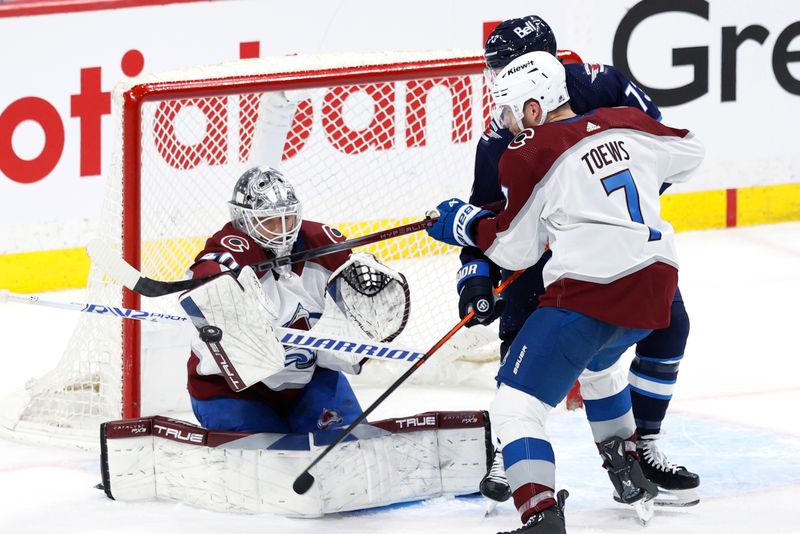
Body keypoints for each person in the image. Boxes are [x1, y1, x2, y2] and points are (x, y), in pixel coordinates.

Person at [427, 51, 704, 532]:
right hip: (656, 286)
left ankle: (540, 515)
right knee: (598, 365)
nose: (505, 122)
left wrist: (464, 224)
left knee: (514, 407)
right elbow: (691, 153)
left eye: (510, 111)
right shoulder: (626, 120)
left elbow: (514, 250)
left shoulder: (530, 150)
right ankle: (627, 465)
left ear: (534, 109)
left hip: (589, 295)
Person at [180, 165, 381, 434]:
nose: (282, 229)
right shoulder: (233, 253)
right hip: (230, 391)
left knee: (350, 451)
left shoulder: (323, 246)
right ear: (244, 220)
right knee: (267, 470)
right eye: (270, 221)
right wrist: (212, 284)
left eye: (287, 218)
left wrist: (369, 301)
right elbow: (209, 267)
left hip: (309, 380)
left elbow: (358, 297)